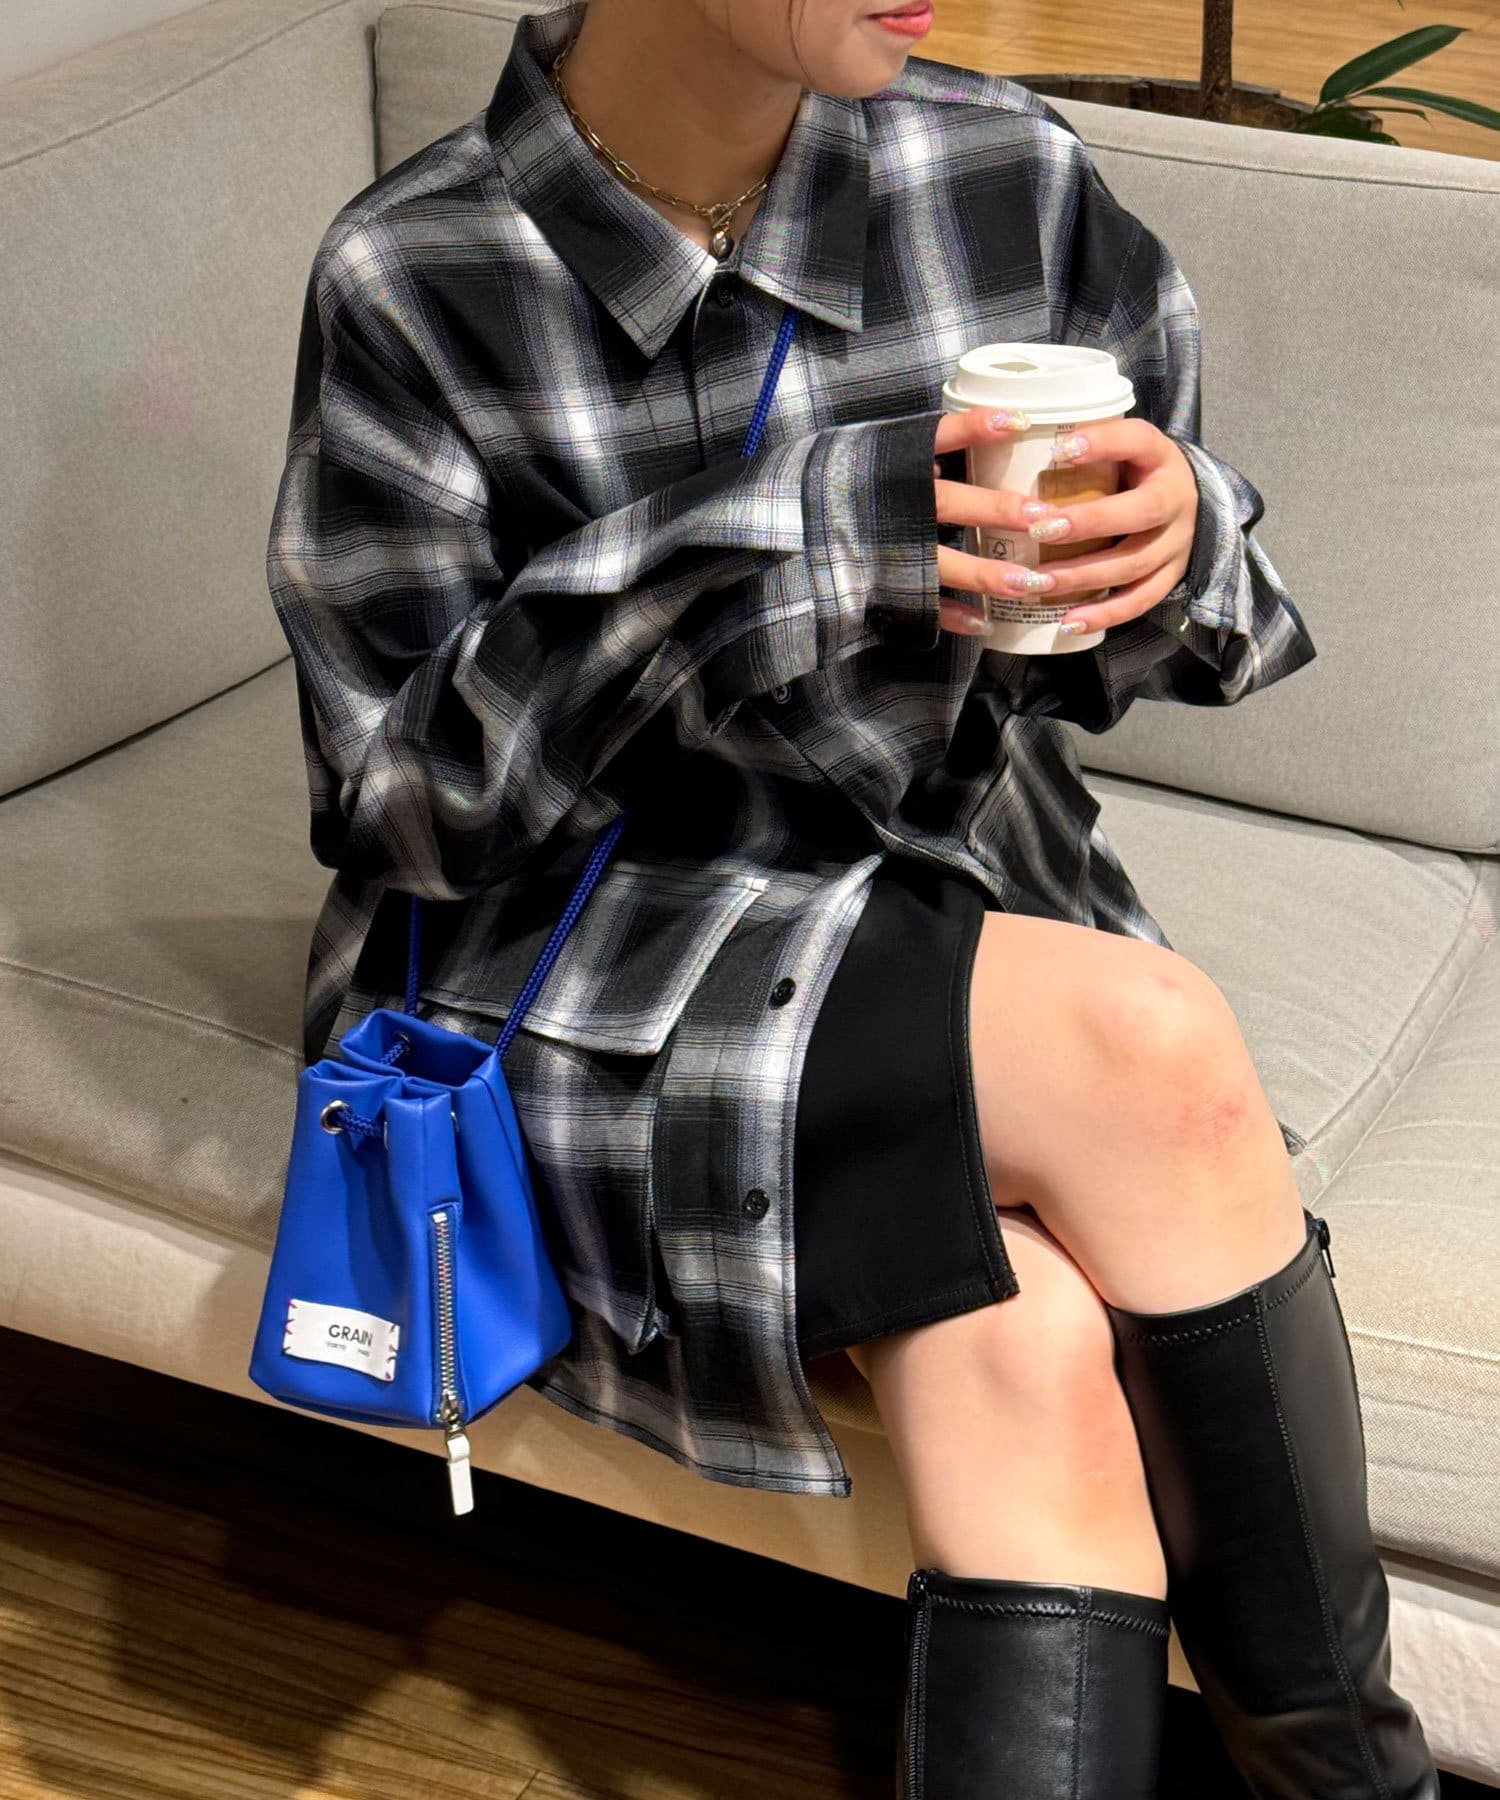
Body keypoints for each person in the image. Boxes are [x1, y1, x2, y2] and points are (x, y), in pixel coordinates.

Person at [265, 0, 1440, 1792]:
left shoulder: (1006, 175)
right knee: (1152, 1050)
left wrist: (1177, 539)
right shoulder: (419, 268)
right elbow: (401, 808)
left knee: (1027, 1343)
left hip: (938, 912)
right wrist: (790, 538)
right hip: (583, 975)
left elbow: (1172, 629)